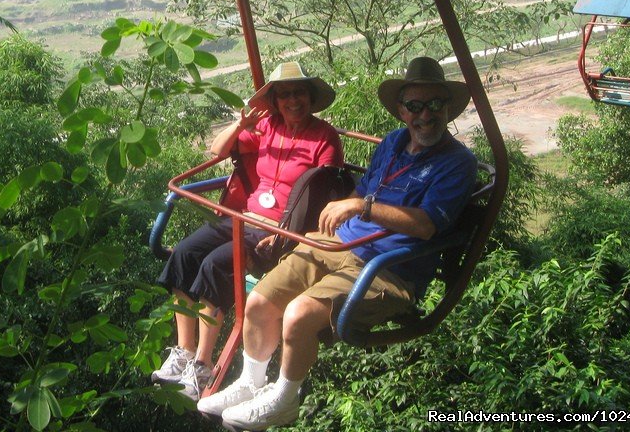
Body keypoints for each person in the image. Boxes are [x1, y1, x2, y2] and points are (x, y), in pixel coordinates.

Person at [197, 56, 477, 430]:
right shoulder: (394, 142)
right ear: (401, 110)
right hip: (338, 244)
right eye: (415, 106)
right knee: (260, 302)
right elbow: (366, 188)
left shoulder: (456, 162)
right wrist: (342, 216)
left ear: (447, 108)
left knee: (296, 316)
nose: (425, 115)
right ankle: (250, 382)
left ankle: (284, 399)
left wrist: (362, 206)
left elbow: (426, 226)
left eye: (434, 105)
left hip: (387, 267)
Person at [152, 62, 344, 400]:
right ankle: (183, 350)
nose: (292, 101)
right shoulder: (268, 126)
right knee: (184, 253)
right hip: (243, 216)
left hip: (277, 229)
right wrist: (240, 124)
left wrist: (286, 235)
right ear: (275, 101)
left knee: (215, 265)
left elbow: (325, 194)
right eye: (284, 95)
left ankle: (202, 364)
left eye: (298, 93)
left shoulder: (323, 137)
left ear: (310, 97)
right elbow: (218, 150)